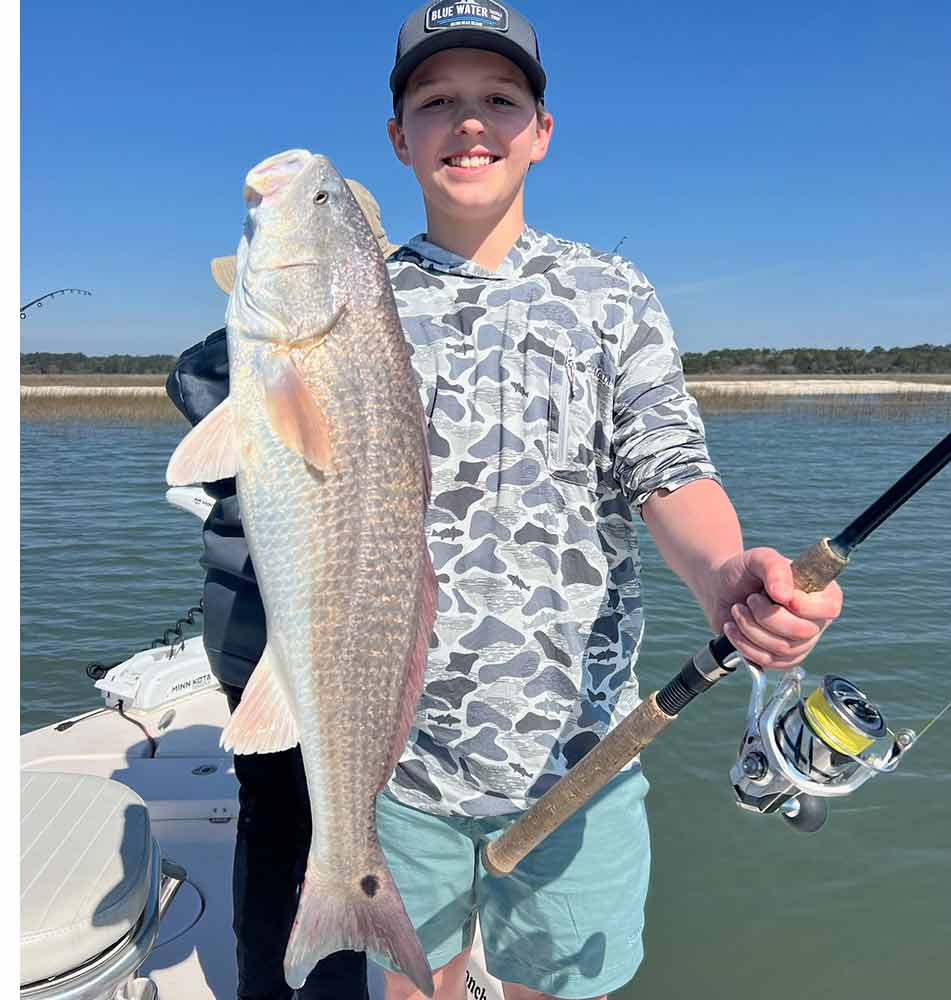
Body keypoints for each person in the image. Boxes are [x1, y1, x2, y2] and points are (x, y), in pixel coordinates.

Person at [175, 4, 843, 998]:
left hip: (582, 754)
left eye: (499, 98)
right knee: (417, 979)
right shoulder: (359, 292)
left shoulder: (610, 292)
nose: (469, 121)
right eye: (436, 101)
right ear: (399, 137)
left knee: (550, 983)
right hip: (399, 758)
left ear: (542, 131)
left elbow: (668, 465)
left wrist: (723, 575)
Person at [165, 179, 395, 1000]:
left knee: (270, 824)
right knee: (322, 816)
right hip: (309, 633)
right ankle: (323, 974)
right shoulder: (260, 363)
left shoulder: (206, 365)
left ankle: (265, 982)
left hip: (246, 629)